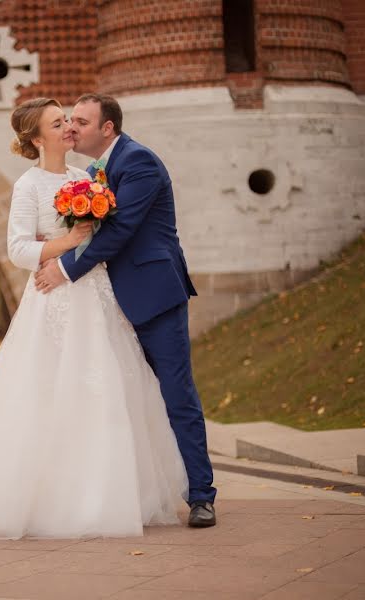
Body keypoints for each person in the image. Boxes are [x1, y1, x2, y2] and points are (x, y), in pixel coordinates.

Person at [0, 98, 189, 539]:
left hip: (97, 295)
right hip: (54, 298)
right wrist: (64, 243)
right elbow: (17, 249)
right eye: (58, 123)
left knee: (110, 387)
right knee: (52, 392)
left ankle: (115, 494)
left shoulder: (88, 178)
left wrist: (78, 246)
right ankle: (54, 500)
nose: (69, 127)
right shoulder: (28, 187)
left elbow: (110, 234)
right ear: (37, 138)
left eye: (69, 120)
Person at [34, 94, 217, 527]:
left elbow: (119, 232)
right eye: (69, 121)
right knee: (122, 399)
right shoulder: (94, 171)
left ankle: (201, 496)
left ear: (108, 128)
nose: (72, 128)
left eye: (81, 121)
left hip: (153, 295)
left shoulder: (139, 163)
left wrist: (64, 269)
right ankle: (135, 491)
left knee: (176, 395)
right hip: (109, 303)